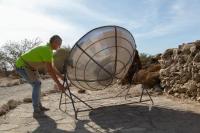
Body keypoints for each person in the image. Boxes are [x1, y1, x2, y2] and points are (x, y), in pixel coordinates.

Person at [15, 35, 65, 117]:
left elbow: (52, 67)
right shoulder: (46, 50)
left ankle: (39, 107)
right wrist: (59, 84)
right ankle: (36, 110)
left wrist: (61, 77)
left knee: (38, 84)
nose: (59, 46)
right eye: (59, 44)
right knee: (36, 84)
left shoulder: (48, 50)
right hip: (22, 66)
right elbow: (50, 71)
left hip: (30, 67)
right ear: (54, 42)